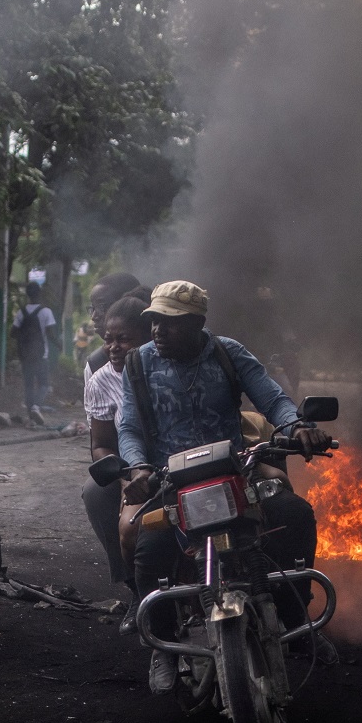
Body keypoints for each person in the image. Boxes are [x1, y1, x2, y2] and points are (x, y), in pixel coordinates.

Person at [117, 280, 328, 694]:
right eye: (154, 321)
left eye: (170, 323)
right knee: (149, 550)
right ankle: (164, 647)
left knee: (294, 517)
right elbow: (128, 427)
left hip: (235, 471)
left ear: (198, 323)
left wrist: (299, 426)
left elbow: (272, 398)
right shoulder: (138, 363)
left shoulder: (227, 352)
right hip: (170, 478)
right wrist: (139, 466)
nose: (158, 330)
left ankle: (297, 619)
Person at [82, 298, 150, 618]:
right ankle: (136, 587)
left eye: (123, 339)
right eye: (109, 339)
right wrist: (124, 472)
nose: (113, 347)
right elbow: (102, 444)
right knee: (96, 492)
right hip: (130, 467)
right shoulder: (101, 380)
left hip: (177, 457)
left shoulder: (166, 368)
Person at [78, 272, 142, 374]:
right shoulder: (95, 365)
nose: (94, 317)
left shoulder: (164, 353)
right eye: (92, 308)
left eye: (101, 307)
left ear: (128, 303)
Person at [13, 283, 57, 424]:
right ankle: (36, 407)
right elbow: (50, 334)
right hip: (41, 355)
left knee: (28, 385)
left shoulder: (21, 313)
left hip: (25, 355)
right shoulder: (46, 312)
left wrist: (25, 338)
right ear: (39, 294)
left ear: (28, 295)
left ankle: (30, 416)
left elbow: (12, 333)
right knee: (44, 384)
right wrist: (58, 344)